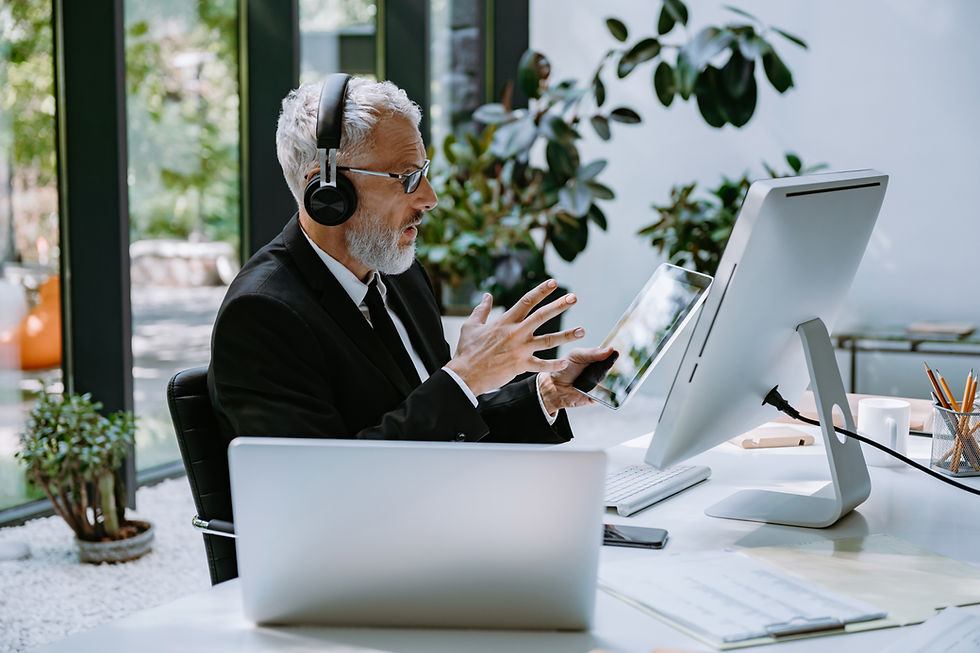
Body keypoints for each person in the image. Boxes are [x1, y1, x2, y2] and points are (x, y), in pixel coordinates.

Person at [207, 75, 612, 446]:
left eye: (424, 172)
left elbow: (445, 430)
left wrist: (545, 392)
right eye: (407, 177)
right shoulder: (261, 314)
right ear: (327, 191)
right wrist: (464, 377)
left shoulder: (399, 276)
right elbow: (328, 489)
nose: (430, 198)